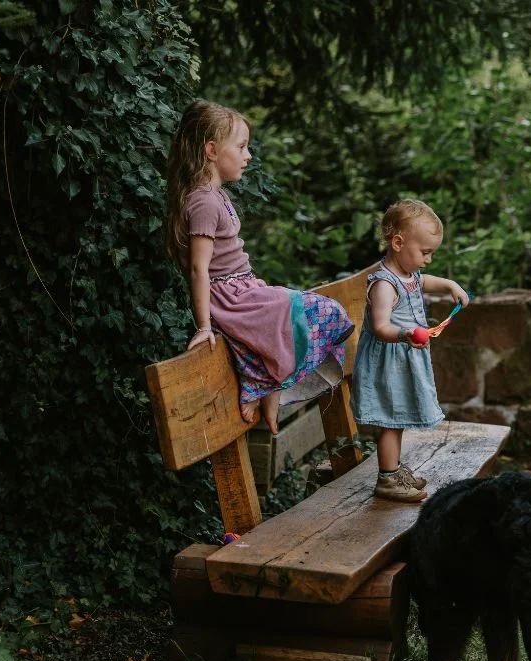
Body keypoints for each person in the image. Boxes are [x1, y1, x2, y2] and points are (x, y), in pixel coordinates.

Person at [163, 101, 353, 434]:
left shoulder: (215, 195)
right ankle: (262, 387)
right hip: (231, 299)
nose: (247, 155)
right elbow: (199, 270)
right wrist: (205, 325)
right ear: (211, 150)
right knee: (322, 311)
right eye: (240, 146)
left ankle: (266, 389)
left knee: (315, 314)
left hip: (244, 287)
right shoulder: (204, 201)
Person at [352, 199, 469, 502]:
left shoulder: (408, 274)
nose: (428, 260)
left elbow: (423, 282)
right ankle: (387, 480)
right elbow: (380, 326)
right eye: (425, 252)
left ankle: (393, 470)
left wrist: (449, 285)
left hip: (403, 359)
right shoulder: (384, 285)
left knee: (398, 417)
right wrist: (406, 334)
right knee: (392, 420)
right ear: (398, 242)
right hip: (388, 362)